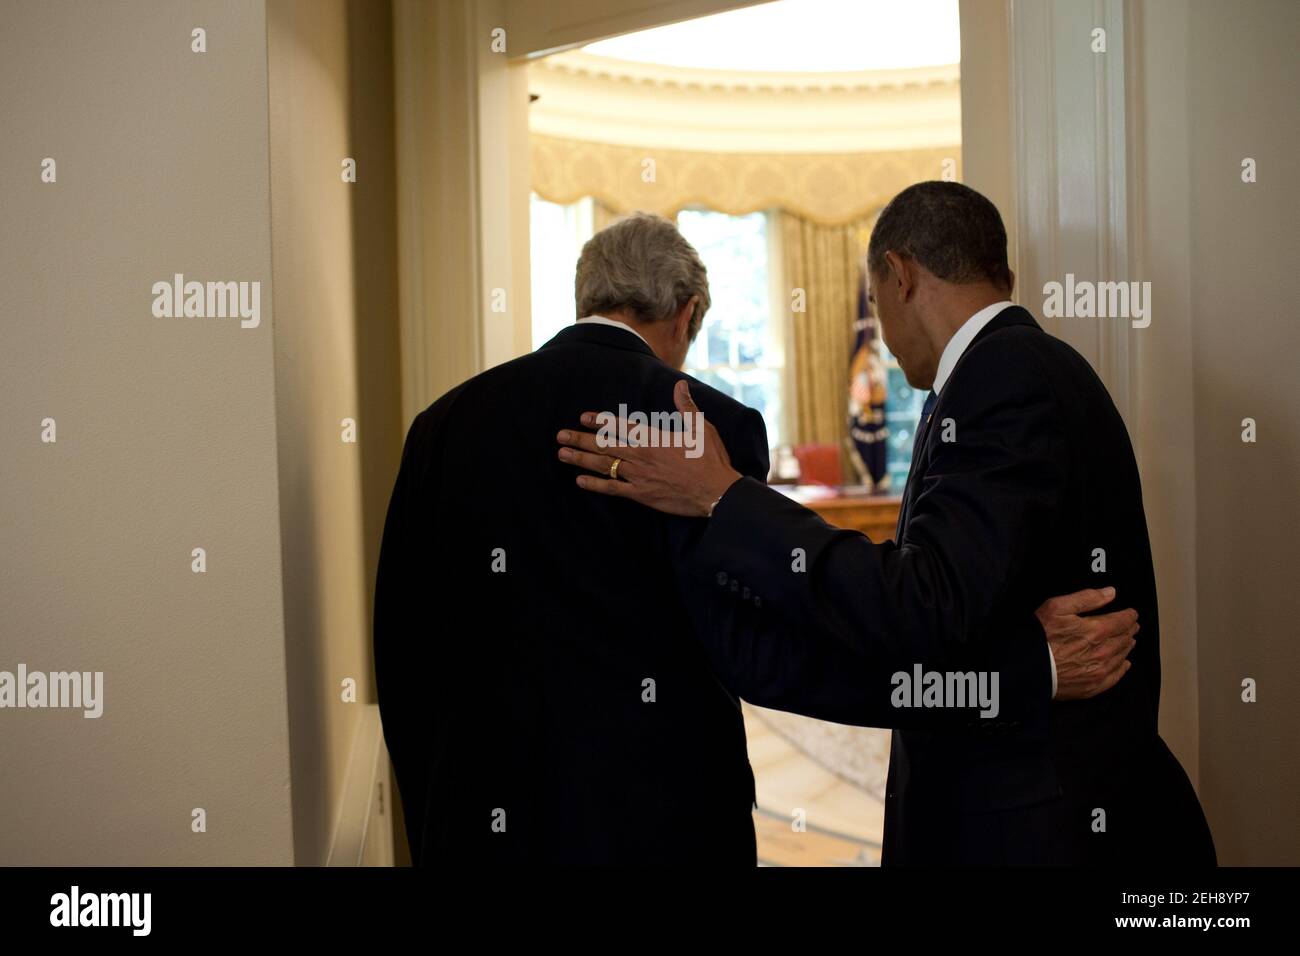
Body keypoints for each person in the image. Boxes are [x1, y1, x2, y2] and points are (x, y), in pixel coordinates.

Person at [375, 211, 1137, 866]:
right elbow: (772, 657)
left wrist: (433, 822)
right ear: (690, 315)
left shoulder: (441, 427)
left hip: (478, 821)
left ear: (585, 299)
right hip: (664, 828)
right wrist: (1012, 673)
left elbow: (404, 653)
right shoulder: (705, 426)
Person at [556, 186, 1215, 865]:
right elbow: (946, 602)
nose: (884, 337)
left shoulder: (1006, 373)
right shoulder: (1009, 371)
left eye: (874, 303)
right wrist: (1030, 665)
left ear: (898, 276)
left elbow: (926, 600)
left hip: (1042, 826)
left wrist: (725, 497)